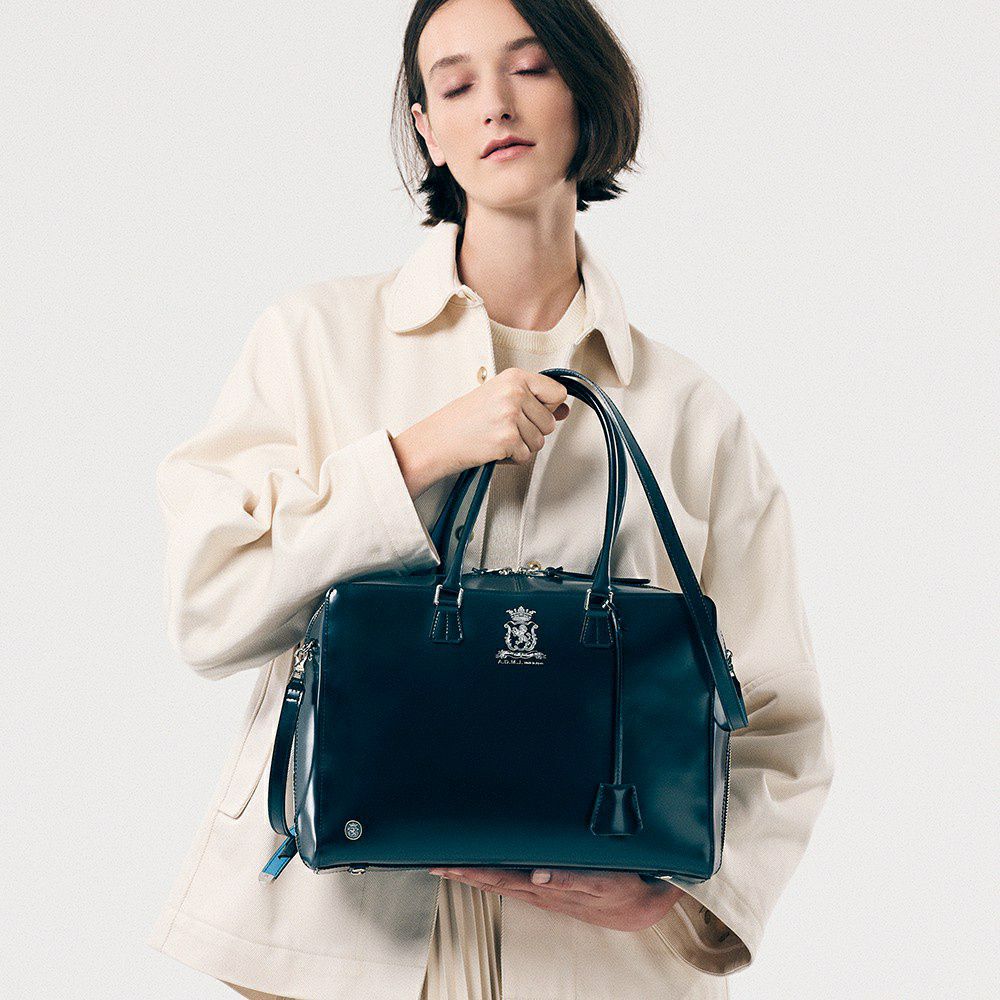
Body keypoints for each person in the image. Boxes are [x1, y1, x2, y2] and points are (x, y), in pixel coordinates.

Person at [145, 1, 835, 998]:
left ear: (586, 90)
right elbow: (209, 608)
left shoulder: (687, 413)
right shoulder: (314, 341)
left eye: (531, 68)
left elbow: (779, 715)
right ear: (426, 128)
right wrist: (416, 454)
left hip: (592, 968)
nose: (495, 106)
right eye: (457, 84)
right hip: (334, 944)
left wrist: (680, 893)